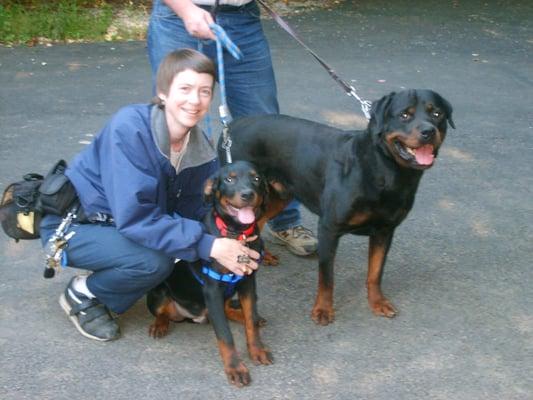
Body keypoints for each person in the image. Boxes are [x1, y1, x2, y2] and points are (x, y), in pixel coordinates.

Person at [40, 49, 260, 342]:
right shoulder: (129, 129)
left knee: (181, 245)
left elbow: (197, 210)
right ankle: (83, 294)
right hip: (78, 227)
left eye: (204, 91)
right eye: (185, 89)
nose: (195, 100)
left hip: (120, 225)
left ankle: (121, 275)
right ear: (163, 92)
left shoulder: (200, 148)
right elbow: (136, 218)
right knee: (155, 261)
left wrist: (230, 239)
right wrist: (210, 246)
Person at [147, 0, 318, 257]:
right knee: (174, 128)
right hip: (179, 16)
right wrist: (185, 9)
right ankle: (175, 229)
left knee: (267, 129)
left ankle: (283, 221)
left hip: (242, 18)